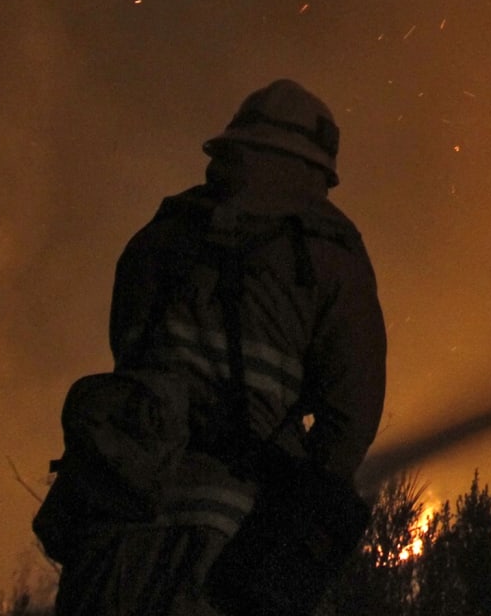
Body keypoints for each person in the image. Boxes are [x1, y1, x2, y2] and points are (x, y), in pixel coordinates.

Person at [52, 80, 387, 616]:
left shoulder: (163, 231)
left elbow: (129, 348)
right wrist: (295, 505)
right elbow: (350, 417)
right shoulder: (332, 256)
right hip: (227, 536)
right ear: (316, 169)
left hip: (114, 520)